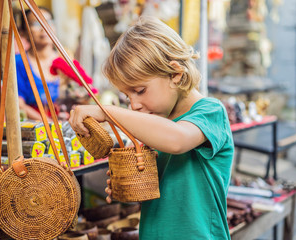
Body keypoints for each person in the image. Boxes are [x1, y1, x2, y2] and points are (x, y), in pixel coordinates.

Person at [69, 17, 234, 240]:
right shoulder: (153, 124)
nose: (134, 104)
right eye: (127, 96)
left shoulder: (210, 112)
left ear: (175, 74)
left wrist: (108, 112)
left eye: (140, 90)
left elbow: (177, 140)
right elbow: (165, 191)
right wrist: (132, 184)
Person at [15, 7, 59, 120]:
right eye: (36, 23)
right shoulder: (19, 63)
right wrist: (49, 123)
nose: (44, 27)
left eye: (48, 22)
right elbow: (19, 104)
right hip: (37, 128)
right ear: (23, 32)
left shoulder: (66, 60)